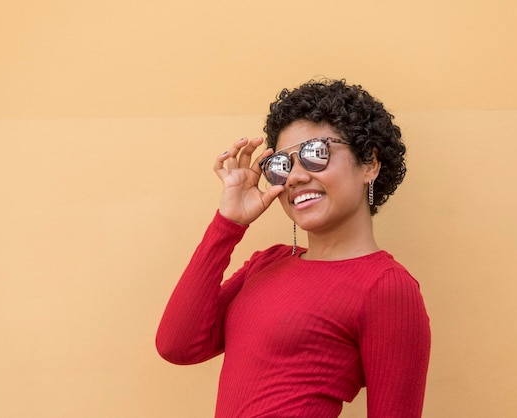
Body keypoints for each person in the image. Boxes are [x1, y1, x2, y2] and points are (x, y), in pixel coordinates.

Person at [156, 79, 431, 417]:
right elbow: (178, 346)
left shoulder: (387, 287)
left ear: (369, 164)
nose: (295, 177)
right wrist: (229, 223)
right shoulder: (267, 263)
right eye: (282, 165)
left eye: (316, 154)